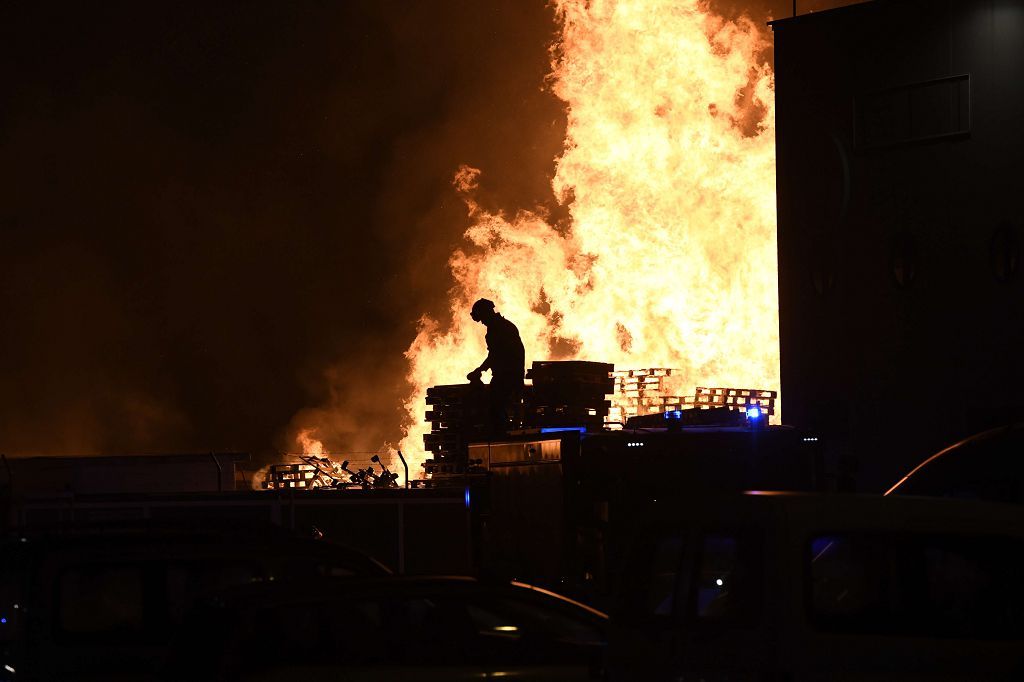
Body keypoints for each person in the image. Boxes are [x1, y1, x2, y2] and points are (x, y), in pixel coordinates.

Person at [466, 298, 525, 436]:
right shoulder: (505, 326)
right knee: (500, 406)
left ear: (487, 313)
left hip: (506, 376)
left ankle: (500, 435)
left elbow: (496, 355)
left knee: (495, 407)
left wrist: (480, 370)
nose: (482, 322)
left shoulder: (498, 330)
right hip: (511, 374)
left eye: (482, 318)